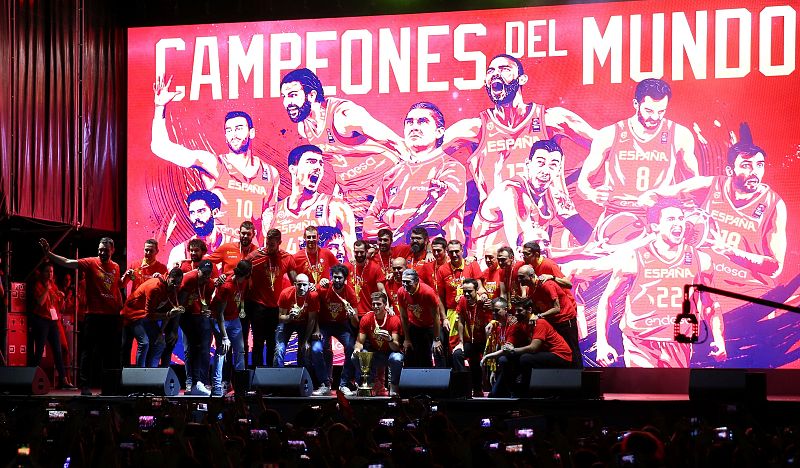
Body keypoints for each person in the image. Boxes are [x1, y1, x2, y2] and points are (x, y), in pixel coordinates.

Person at [638, 123, 787, 306]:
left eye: (759, 165)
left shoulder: (774, 205)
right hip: (703, 284)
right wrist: (677, 222)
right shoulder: (709, 185)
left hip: (748, 292)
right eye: (746, 166)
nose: (754, 172)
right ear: (729, 171)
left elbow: (775, 268)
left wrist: (729, 251)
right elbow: (648, 197)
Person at [596, 199, 726, 368]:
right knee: (644, 392)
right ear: (655, 227)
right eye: (671, 219)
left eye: (681, 218)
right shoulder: (633, 258)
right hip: (640, 342)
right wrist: (602, 342)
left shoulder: (701, 260)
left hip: (679, 341)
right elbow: (608, 300)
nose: (679, 223)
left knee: (673, 393)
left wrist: (718, 337)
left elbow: (710, 304)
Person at [152, 77, 279, 241]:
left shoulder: (270, 173)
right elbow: (160, 147)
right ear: (225, 136)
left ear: (251, 132)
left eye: (239, 128)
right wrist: (160, 107)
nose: (233, 134)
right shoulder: (214, 164)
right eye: (229, 130)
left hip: (250, 255)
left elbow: (270, 215)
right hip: (220, 253)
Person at [577, 78, 700, 248]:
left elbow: (694, 184)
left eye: (661, 111)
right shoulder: (609, 134)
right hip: (617, 215)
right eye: (649, 111)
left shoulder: (680, 135)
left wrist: (688, 211)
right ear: (636, 104)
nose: (655, 117)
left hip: (657, 217)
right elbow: (582, 184)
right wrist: (592, 194)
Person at [280, 68, 404, 223]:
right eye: (284, 97)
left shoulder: (343, 115)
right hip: (355, 194)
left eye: (292, 95)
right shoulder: (304, 128)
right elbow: (338, 159)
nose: (287, 103)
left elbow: (398, 143)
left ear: (311, 95)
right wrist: (338, 193)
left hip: (385, 181)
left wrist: (413, 177)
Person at [363, 102, 467, 242]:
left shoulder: (451, 168)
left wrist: (389, 216)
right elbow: (368, 225)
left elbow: (432, 218)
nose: (414, 127)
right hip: (398, 260)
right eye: (410, 122)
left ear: (439, 132)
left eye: (422, 122)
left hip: (436, 258)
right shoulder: (391, 174)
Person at [471, 139, 592, 255]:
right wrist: (579, 252)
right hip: (492, 264)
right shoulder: (511, 192)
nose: (545, 171)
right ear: (528, 164)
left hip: (528, 263)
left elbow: (586, 234)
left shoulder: (555, 196)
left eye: (553, 165)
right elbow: (525, 250)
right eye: (540, 163)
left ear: (559, 169)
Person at [40, 237, 123, 396]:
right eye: (100, 249)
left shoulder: (116, 267)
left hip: (111, 317)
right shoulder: (91, 263)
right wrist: (49, 254)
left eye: (105, 250)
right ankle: (85, 387)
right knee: (88, 352)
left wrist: (119, 307)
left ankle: (109, 389)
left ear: (112, 250)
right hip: (94, 315)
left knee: (110, 354)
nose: (102, 252)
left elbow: (115, 288)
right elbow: (68, 262)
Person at [270, 145, 356, 256]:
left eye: (321, 163)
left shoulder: (335, 207)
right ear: (293, 169)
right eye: (311, 162)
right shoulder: (272, 214)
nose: (318, 167)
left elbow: (353, 258)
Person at [483, 298, 573, 397]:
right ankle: (513, 391)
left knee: (525, 358)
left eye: (520, 310)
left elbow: (533, 348)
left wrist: (513, 350)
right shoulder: (519, 324)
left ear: (529, 310)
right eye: (515, 311)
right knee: (504, 359)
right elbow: (507, 347)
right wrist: (489, 357)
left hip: (561, 355)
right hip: (543, 353)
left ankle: (525, 393)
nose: (516, 313)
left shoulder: (539, 323)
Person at [245, 228, 298, 367]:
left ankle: (269, 375)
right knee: (257, 341)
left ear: (279, 242)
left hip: (276, 307)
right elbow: (241, 276)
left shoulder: (287, 258)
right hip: (258, 304)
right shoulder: (254, 257)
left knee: (272, 342)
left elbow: (295, 284)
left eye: (272, 245)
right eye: (267, 243)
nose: (269, 247)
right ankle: (257, 374)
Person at [517, 265, 582, 368]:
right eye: (518, 277)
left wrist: (539, 316)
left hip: (565, 320)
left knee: (572, 351)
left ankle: (580, 379)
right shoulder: (531, 290)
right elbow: (535, 308)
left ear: (531, 276)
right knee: (558, 352)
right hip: (553, 322)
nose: (519, 280)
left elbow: (557, 308)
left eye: (521, 277)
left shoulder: (546, 284)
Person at [120, 268, 184, 368]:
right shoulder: (155, 287)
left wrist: (160, 332)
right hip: (133, 314)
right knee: (144, 343)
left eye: (178, 283)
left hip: (145, 316)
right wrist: (168, 314)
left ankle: (152, 373)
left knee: (160, 343)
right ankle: (140, 374)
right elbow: (150, 315)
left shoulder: (173, 290)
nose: (175, 285)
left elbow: (168, 312)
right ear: (168, 277)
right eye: (173, 282)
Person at [311, 264, 358, 396]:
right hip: (324, 324)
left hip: (342, 325)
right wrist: (317, 330)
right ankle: (325, 384)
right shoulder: (324, 288)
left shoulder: (350, 293)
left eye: (340, 278)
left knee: (352, 348)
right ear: (331, 277)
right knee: (316, 349)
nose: (337, 280)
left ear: (345, 279)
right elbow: (314, 311)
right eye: (335, 277)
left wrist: (351, 316)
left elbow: (355, 323)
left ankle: (343, 384)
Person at [210, 260, 251, 396]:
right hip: (220, 320)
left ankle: (240, 385)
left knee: (240, 351)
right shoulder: (227, 286)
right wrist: (225, 337)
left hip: (234, 319)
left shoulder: (244, 281)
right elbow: (220, 313)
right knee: (222, 351)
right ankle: (217, 385)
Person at [29, 263, 74, 389]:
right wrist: (47, 289)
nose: (50, 274)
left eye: (52, 272)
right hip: (41, 320)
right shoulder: (38, 285)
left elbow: (57, 306)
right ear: (42, 273)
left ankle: (63, 380)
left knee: (58, 351)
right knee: (39, 351)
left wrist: (61, 296)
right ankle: (31, 378)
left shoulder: (53, 285)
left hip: (52, 321)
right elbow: (40, 302)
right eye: (47, 271)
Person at [351, 292, 404, 396]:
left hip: (390, 354)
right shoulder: (366, 318)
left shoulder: (394, 319)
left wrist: (389, 339)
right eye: (373, 304)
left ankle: (394, 386)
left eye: (378, 304)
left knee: (397, 358)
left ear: (385, 305)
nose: (375, 306)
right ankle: (372, 383)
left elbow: (396, 347)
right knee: (355, 357)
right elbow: (359, 342)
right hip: (375, 354)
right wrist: (357, 349)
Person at [178, 260, 215, 395]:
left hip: (200, 316)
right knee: (189, 349)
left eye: (208, 274)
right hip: (186, 315)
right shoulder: (188, 279)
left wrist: (206, 311)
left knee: (204, 350)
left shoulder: (210, 284)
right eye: (204, 273)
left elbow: (206, 301)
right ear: (197, 270)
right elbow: (180, 303)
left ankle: (202, 382)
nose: (206, 277)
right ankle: (190, 381)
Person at [167, 190, 229, 268]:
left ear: (215, 212)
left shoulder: (233, 245)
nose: (196, 217)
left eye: (201, 211)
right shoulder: (179, 251)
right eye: (192, 212)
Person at [397, 268, 445, 368]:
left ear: (416, 281)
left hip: (431, 325)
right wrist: (407, 339)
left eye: (408, 282)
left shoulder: (428, 292)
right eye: (403, 282)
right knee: (416, 353)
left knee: (438, 350)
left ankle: (440, 379)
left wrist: (436, 339)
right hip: (415, 325)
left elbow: (436, 316)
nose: (405, 285)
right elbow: (404, 316)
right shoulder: (401, 292)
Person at [452, 278, 492, 397]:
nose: (467, 294)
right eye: (465, 291)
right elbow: (461, 321)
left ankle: (485, 389)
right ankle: (465, 387)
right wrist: (460, 342)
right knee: (457, 354)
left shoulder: (483, 302)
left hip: (485, 340)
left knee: (482, 362)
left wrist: (488, 347)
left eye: (470, 291)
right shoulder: (463, 301)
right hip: (471, 340)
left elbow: (489, 323)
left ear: (476, 290)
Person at [275, 274, 319, 369]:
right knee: (279, 349)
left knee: (304, 349)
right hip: (287, 323)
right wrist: (290, 317)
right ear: (295, 284)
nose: (302, 288)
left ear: (309, 285)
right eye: (299, 285)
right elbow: (280, 318)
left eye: (304, 285)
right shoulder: (286, 293)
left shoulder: (313, 296)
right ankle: (278, 378)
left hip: (304, 324)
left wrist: (306, 341)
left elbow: (312, 320)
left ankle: (304, 379)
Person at [345, 240, 386, 317]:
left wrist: (385, 307)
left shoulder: (375, 268)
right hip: (352, 312)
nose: (359, 255)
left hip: (369, 312)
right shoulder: (348, 267)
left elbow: (381, 290)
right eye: (356, 252)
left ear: (366, 251)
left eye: (361, 252)